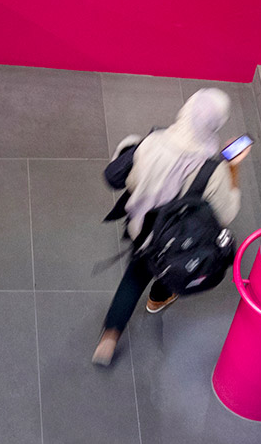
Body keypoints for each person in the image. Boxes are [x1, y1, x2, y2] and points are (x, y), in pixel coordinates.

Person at [92, 87, 242, 367]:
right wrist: (233, 169)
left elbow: (128, 180)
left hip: (144, 232)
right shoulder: (213, 170)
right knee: (171, 266)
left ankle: (109, 338)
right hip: (180, 242)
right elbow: (226, 213)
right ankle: (159, 298)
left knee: (133, 278)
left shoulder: (152, 142)